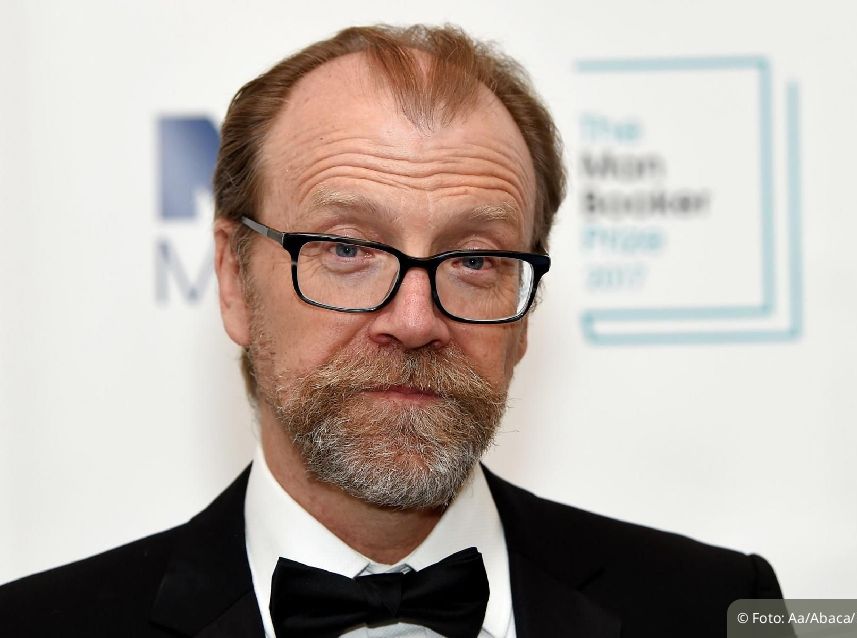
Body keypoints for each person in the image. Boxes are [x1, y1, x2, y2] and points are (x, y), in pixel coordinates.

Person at [0, 24, 783, 637]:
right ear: (235, 279)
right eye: (347, 249)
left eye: (474, 259)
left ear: (526, 312)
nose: (415, 321)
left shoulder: (715, 609)